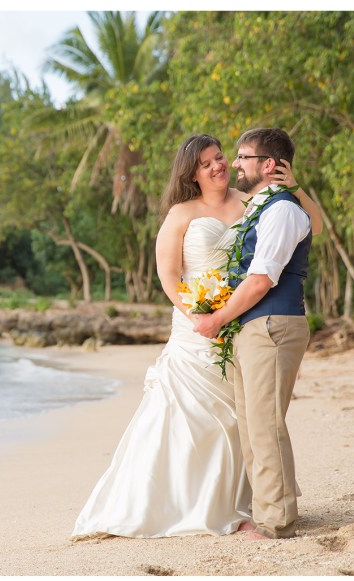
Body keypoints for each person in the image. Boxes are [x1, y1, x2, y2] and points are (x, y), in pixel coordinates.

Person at [71, 133, 321, 539]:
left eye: (220, 157)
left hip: (242, 319)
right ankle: (179, 504)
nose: (218, 166)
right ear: (192, 173)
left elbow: (312, 225)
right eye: (207, 163)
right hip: (199, 328)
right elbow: (169, 278)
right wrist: (202, 317)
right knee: (187, 417)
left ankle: (239, 506)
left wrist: (294, 185)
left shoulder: (254, 202)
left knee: (246, 418)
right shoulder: (181, 213)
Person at [192, 128, 313, 540]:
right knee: (252, 422)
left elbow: (261, 279)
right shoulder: (262, 206)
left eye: (243, 157)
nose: (234, 164)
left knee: (264, 424)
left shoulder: (281, 210)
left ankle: (277, 521)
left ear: (269, 165)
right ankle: (267, 513)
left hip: (273, 325)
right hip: (255, 326)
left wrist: (217, 319)